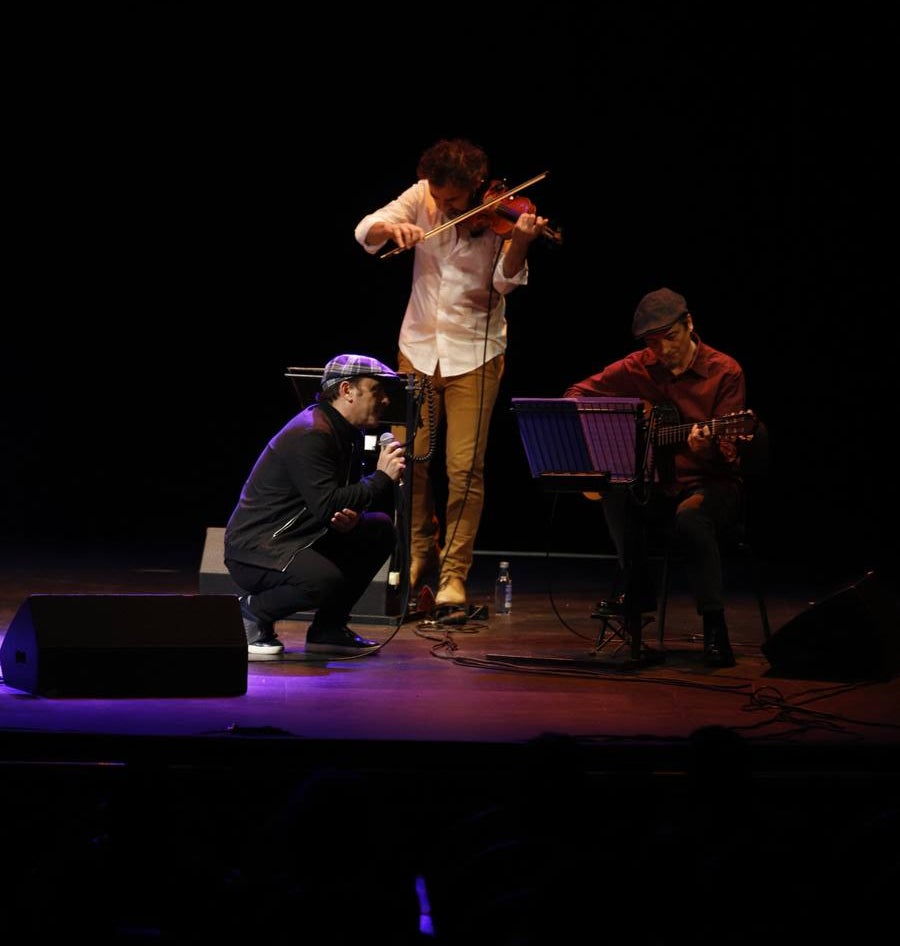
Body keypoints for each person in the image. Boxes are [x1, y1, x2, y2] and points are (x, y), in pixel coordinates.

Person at [354, 137, 548, 622]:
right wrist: (393, 227)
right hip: (417, 347)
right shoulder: (422, 194)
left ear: (476, 185)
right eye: (438, 197)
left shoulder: (500, 213)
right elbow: (365, 230)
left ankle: (454, 575)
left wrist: (521, 241)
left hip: (474, 354)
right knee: (411, 460)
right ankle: (419, 553)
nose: (442, 207)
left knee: (464, 469)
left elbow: (504, 283)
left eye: (454, 200)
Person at [565, 287, 756, 667]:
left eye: (670, 337)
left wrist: (706, 446)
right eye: (653, 343)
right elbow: (575, 395)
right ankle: (638, 594)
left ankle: (714, 628)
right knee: (616, 493)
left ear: (689, 324)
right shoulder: (637, 367)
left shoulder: (725, 371)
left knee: (691, 518)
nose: (663, 350)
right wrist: (613, 434)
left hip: (711, 485)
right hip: (658, 486)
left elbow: (730, 452)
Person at [224, 354, 407, 660]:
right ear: (347, 390)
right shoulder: (312, 433)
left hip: (301, 536)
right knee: (321, 581)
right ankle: (250, 614)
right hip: (258, 549)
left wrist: (350, 516)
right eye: (377, 391)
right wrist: (381, 478)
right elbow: (327, 503)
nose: (385, 400)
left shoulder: (344, 432)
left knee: (378, 529)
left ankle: (328, 629)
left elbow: (333, 499)